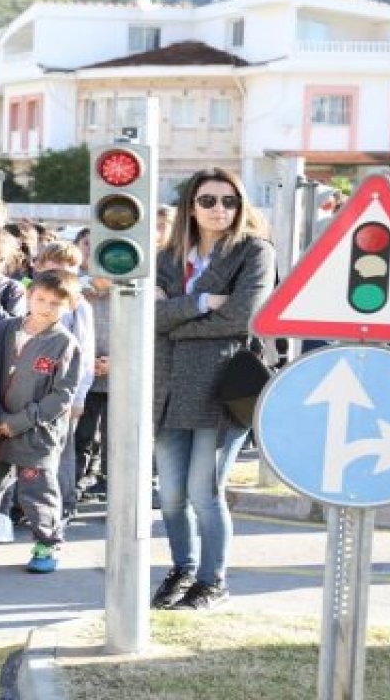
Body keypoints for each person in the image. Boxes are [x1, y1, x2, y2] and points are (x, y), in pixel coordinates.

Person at [151, 167, 275, 611]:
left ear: (241, 208)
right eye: (208, 200)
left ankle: (212, 580)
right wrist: (201, 304)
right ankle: (182, 570)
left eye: (229, 201)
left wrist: (176, 319)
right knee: (169, 495)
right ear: (191, 206)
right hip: (166, 387)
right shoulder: (167, 256)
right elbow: (150, 318)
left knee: (205, 493)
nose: (219, 209)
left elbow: (242, 318)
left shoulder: (254, 252)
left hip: (221, 388)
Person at [0, 271, 82, 573]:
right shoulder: (4, 329)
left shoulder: (64, 344)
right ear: (29, 296)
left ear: (70, 306)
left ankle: (47, 543)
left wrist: (20, 422)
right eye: (40, 299)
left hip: (35, 435)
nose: (45, 307)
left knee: (37, 493)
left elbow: (60, 397)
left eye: (55, 303)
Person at [34, 241, 95, 521]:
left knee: (63, 449)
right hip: (31, 387)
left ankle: (63, 504)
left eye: (68, 266)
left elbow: (84, 351)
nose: (61, 271)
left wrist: (79, 396)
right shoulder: (32, 298)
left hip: (62, 390)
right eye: (53, 264)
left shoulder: (78, 305)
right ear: (39, 267)